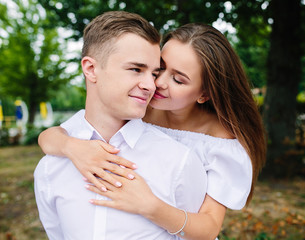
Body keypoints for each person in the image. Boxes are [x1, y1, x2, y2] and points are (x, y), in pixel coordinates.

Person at [38, 23, 267, 239]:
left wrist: (148, 206)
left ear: (203, 94)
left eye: (178, 79)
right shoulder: (139, 108)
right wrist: (71, 147)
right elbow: (54, 134)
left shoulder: (219, 141)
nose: (157, 83)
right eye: (159, 69)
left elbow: (208, 228)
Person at [34, 11, 208, 240]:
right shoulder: (50, 167)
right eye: (136, 69)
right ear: (91, 69)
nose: (150, 85)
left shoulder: (179, 161)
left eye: (154, 73)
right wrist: (66, 146)